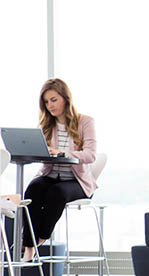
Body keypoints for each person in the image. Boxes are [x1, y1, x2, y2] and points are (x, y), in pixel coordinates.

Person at [22, 79, 97, 261]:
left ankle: (39, 238)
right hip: (51, 175)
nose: (50, 106)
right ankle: (29, 247)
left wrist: (63, 152)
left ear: (65, 98)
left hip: (76, 181)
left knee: (56, 193)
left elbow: (90, 155)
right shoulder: (46, 125)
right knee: (33, 189)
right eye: (46, 102)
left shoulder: (85, 122)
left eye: (53, 100)